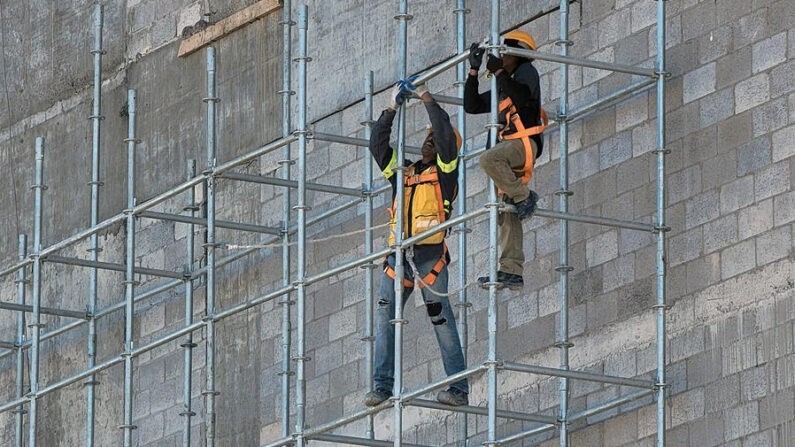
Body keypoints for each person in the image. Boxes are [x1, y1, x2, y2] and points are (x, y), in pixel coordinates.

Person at [363, 80, 469, 407]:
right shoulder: (404, 173)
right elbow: (377, 145)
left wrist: (424, 95)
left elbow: (444, 129)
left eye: (434, 140)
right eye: (427, 138)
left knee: (441, 319)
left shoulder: (446, 170)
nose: (429, 142)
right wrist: (390, 108)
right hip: (398, 259)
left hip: (429, 257)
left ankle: (459, 389)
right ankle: (382, 386)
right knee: (384, 315)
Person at [464, 30, 547, 291]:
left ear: (516, 52)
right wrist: (474, 72)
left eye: (504, 51)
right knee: (506, 211)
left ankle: (524, 196)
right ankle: (511, 271)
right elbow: (472, 105)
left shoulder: (526, 73)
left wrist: (499, 72)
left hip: (523, 144)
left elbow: (522, 99)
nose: (500, 55)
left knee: (488, 160)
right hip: (510, 148)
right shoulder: (504, 84)